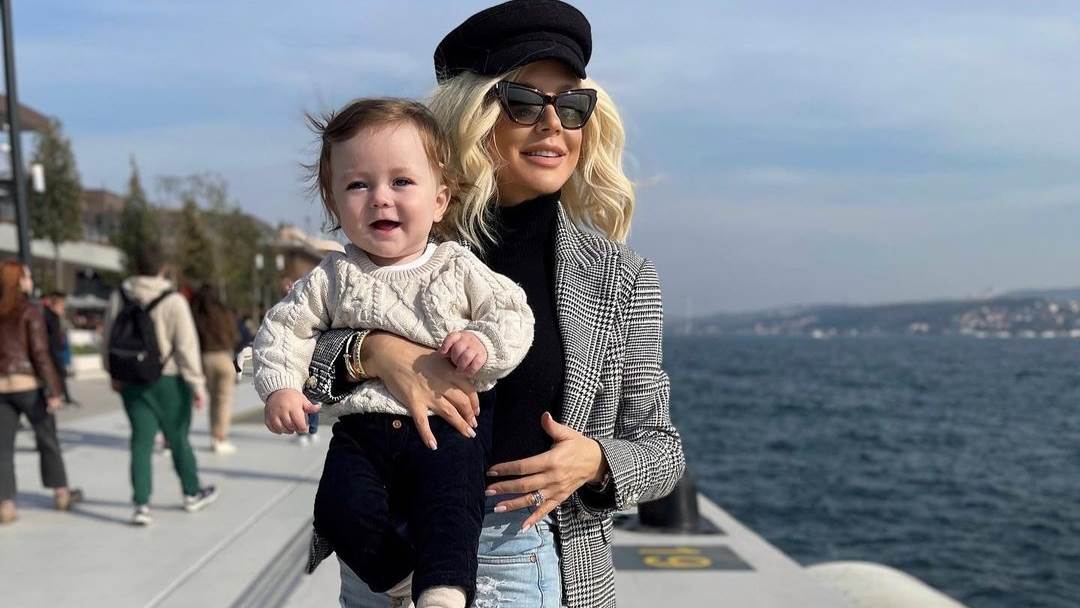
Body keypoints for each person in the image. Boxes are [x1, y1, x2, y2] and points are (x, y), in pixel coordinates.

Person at [306, 2, 685, 606]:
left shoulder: (621, 278)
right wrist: (374, 353)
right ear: (474, 116)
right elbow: (293, 351)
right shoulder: (404, 233)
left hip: (520, 554)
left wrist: (594, 461)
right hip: (384, 551)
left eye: (572, 104)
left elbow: (661, 449)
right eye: (525, 102)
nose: (552, 123)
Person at [254, 98, 534, 608]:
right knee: (338, 507)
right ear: (334, 204)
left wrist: (483, 343)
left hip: (451, 424)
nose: (380, 198)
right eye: (358, 185)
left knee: (451, 506)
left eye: (401, 182)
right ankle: (401, 579)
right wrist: (281, 388)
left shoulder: (457, 266)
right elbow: (284, 330)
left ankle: (444, 589)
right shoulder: (332, 276)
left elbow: (513, 314)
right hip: (363, 430)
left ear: (440, 200)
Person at [102, 244, 218, 526]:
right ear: (163, 269)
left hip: (131, 380)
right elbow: (186, 346)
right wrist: (197, 384)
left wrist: (112, 373)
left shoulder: (119, 296)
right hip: (169, 380)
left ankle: (141, 505)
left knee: (140, 442)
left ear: (136, 267)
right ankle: (191, 492)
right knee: (178, 439)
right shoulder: (173, 300)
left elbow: (107, 337)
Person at [0, 261, 83, 524]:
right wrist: (54, 389)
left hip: (2, 388)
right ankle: (61, 493)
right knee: (47, 439)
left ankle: (5, 504)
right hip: (29, 386)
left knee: (3, 449)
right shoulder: (30, 310)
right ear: (17, 280)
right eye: (26, 276)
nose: (31, 281)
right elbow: (39, 352)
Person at [190, 285, 241, 454]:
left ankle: (171, 436)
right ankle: (219, 438)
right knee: (223, 400)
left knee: (202, 398)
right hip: (224, 358)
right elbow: (235, 336)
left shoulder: (194, 316)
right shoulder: (224, 314)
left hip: (202, 359)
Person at [41, 291, 74, 404]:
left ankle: (62, 396)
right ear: (55, 305)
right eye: (61, 306)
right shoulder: (49, 316)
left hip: (56, 349)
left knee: (59, 374)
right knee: (58, 373)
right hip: (52, 350)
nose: (63, 309)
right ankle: (59, 396)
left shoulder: (53, 316)